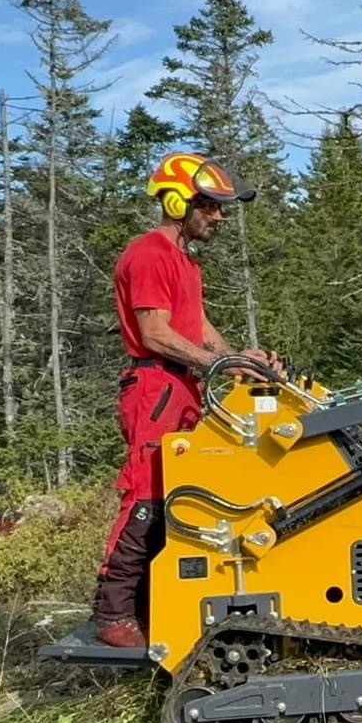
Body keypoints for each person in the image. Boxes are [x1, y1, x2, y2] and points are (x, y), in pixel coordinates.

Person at [91, 151, 275, 649]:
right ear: (178, 202)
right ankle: (112, 612)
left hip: (182, 387)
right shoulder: (149, 254)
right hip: (155, 388)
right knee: (148, 496)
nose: (217, 216)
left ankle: (154, 600)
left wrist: (239, 360)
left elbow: (197, 328)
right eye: (209, 206)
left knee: (181, 495)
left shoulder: (183, 262)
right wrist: (213, 364)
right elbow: (155, 333)